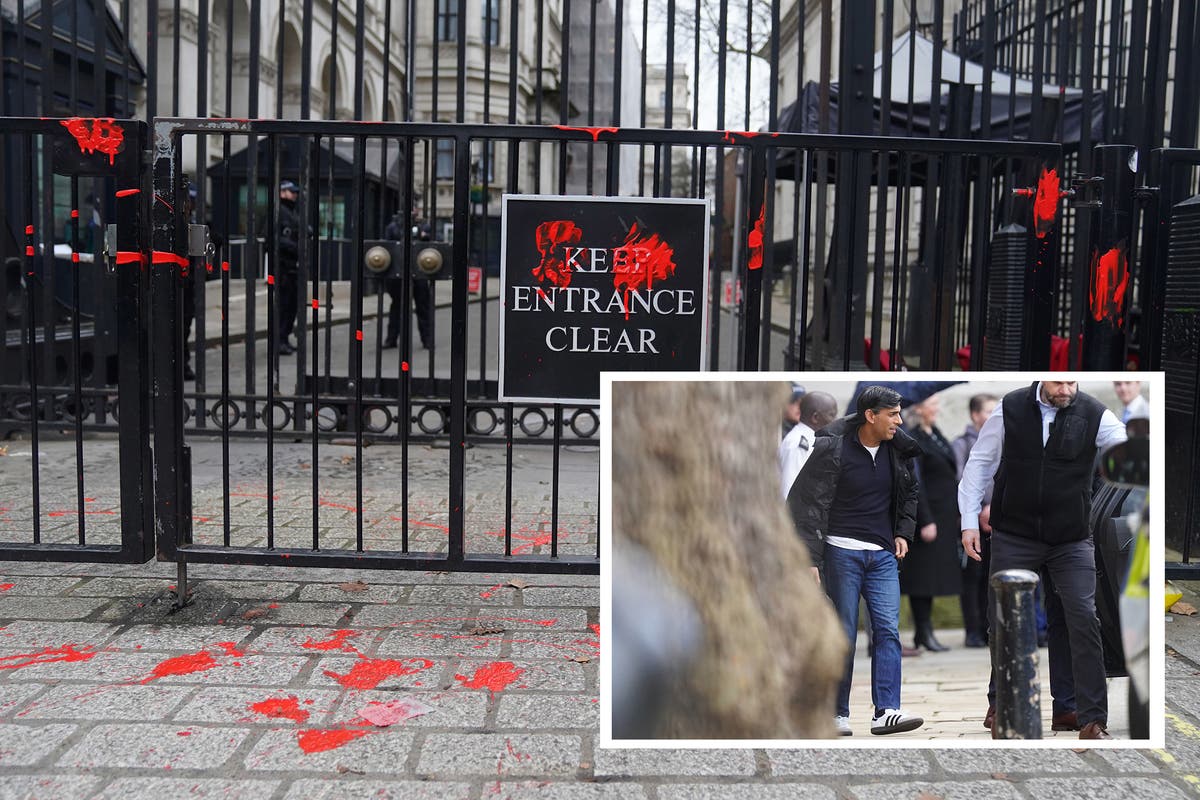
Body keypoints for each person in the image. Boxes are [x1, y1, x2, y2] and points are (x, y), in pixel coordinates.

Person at [959, 380, 1127, 740]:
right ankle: (1003, 704)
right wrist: (969, 521)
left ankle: (1090, 718)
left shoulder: (1095, 413)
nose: (1066, 387)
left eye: (1071, 381)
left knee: (1083, 617)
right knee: (1003, 618)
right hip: (1014, 533)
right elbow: (980, 462)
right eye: (1058, 381)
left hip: (1071, 537)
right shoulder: (1010, 407)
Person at [788, 385, 925, 737]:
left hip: (882, 556)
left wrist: (902, 533)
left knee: (888, 631)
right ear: (870, 416)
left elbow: (910, 492)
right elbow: (805, 503)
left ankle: (887, 711)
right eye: (892, 414)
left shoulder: (899, 450)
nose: (899, 421)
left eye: (899, 414)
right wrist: (809, 558)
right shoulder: (832, 448)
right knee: (844, 634)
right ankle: (837, 714)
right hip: (840, 552)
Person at [901, 394, 961, 652]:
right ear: (919, 408)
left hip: (945, 516)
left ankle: (925, 632)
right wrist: (925, 520)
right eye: (932, 404)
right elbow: (917, 482)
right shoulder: (915, 438)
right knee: (923, 577)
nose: (937, 408)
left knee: (934, 576)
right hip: (928, 517)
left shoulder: (935, 433)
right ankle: (923, 631)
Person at [951, 393, 998, 648]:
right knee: (972, 578)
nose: (993, 416)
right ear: (975, 415)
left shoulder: (1000, 441)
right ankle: (973, 631)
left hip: (996, 520)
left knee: (992, 577)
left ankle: (989, 629)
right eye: (988, 411)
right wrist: (978, 510)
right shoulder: (961, 445)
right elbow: (961, 479)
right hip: (972, 521)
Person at [382, 216, 433, 350]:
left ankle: (427, 339)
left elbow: (434, 245)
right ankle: (391, 339)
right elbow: (387, 247)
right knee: (397, 306)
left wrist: (425, 236)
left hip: (419, 271)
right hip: (400, 272)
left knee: (423, 307)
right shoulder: (393, 226)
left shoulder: (423, 225)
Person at [778, 389, 838, 501]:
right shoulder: (797, 445)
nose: (835, 421)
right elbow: (789, 490)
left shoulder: (812, 440)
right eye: (831, 415)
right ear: (815, 418)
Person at [271, 179, 302, 355]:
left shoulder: (291, 212)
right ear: (282, 192)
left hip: (292, 267)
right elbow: (272, 238)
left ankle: (284, 338)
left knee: (291, 306)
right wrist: (294, 246)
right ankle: (279, 340)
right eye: (292, 191)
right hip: (282, 266)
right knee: (283, 305)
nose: (295, 194)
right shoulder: (278, 211)